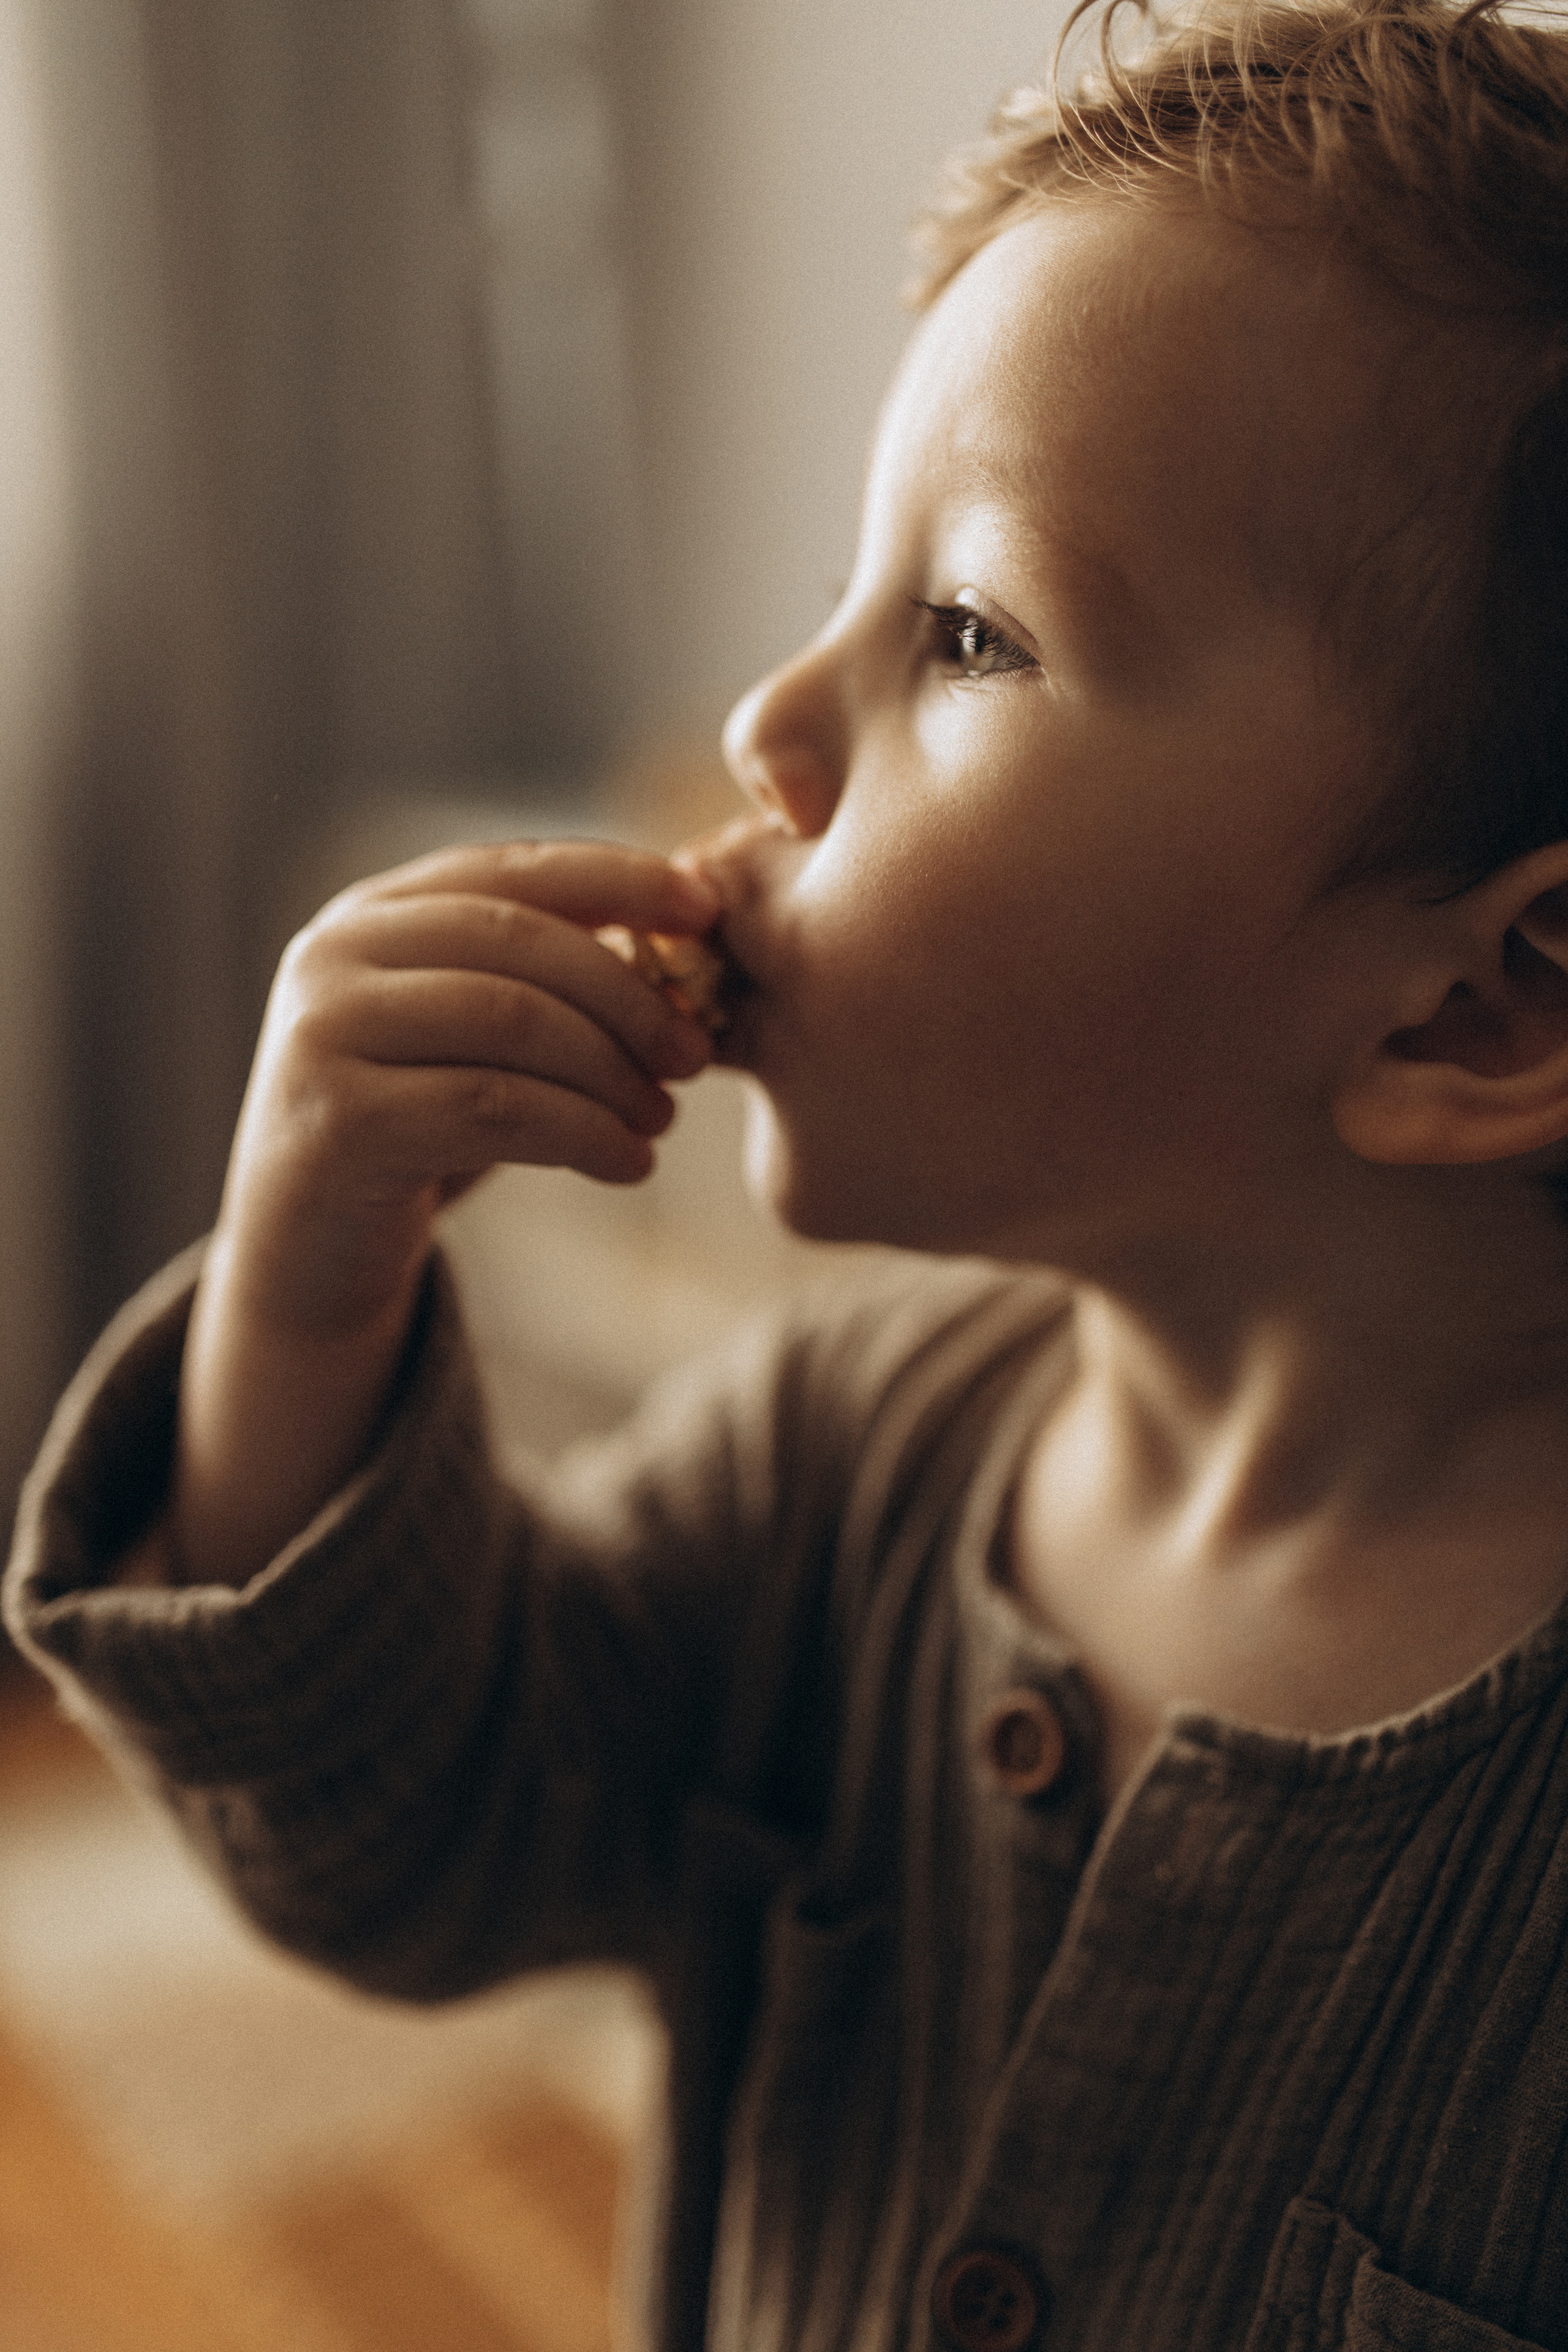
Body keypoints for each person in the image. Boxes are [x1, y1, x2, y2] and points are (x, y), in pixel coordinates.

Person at [10, 0, 1568, 2343]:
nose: (763, 724)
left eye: (966, 629)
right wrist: (303, 1297)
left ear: (1478, 1014)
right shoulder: (831, 1464)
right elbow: (403, 1850)